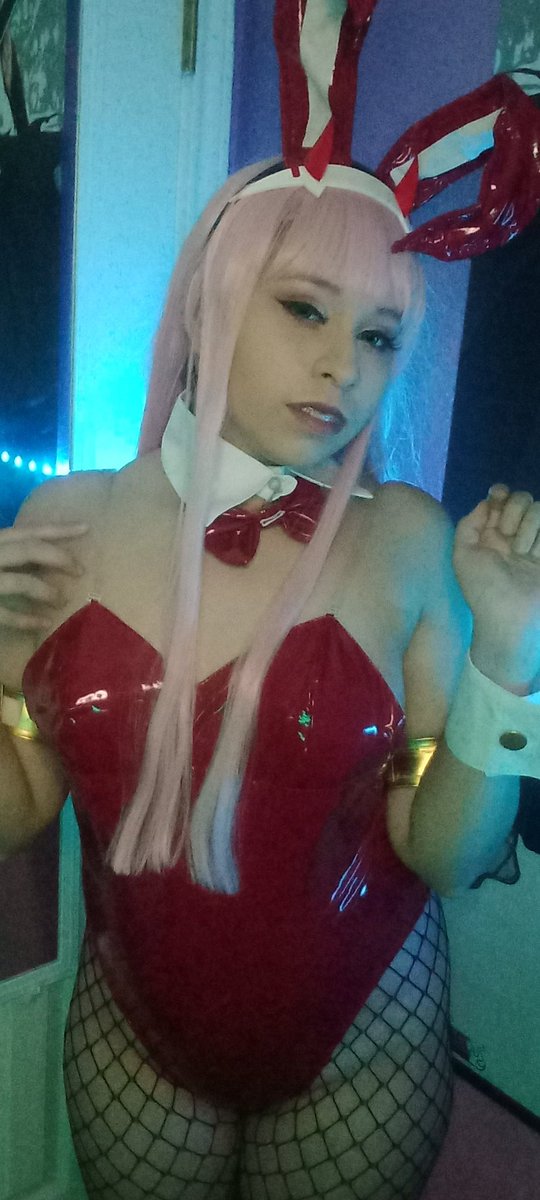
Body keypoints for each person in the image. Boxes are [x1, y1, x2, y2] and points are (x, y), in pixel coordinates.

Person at [1, 150, 539, 1200]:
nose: (344, 366)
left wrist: (508, 658)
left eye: (378, 335)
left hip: (365, 1040)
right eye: (305, 309)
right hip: (134, 1035)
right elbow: (16, 803)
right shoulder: (65, 522)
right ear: (209, 307)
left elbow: (448, 856)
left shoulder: (410, 541)